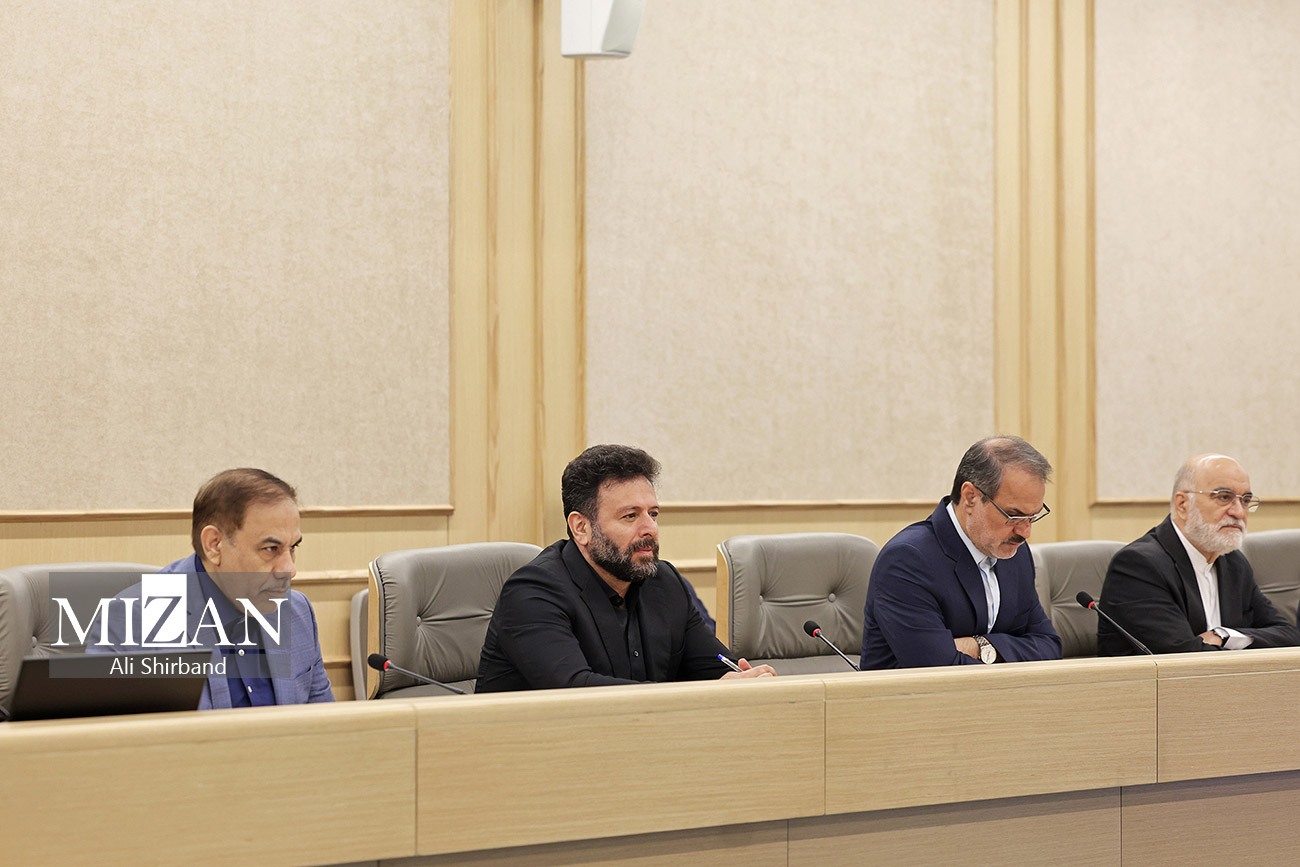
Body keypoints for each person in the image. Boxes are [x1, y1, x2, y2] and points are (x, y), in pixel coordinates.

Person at [476, 444, 776, 691]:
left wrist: (741, 682)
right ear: (581, 528)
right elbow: (575, 691)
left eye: (653, 514)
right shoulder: (532, 594)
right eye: (630, 516)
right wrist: (695, 693)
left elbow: (714, 668)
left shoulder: (665, 582)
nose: (650, 529)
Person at [92, 468, 334, 708]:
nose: (289, 569)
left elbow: (326, 724)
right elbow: (109, 730)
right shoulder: (135, 621)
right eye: (270, 549)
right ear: (214, 545)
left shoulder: (296, 612)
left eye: (293, 548)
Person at [860, 436, 1062, 669]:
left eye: (1032, 517)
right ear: (970, 497)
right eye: (1013, 515)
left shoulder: (1015, 553)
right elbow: (939, 669)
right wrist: (1010, 650)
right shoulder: (907, 560)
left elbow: (1049, 647)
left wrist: (979, 646)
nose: (1025, 532)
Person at [1097, 454, 1300, 655]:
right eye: (1224, 497)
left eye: (1245, 500)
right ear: (1183, 504)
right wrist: (1242, 642)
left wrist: (1224, 635)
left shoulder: (1233, 562)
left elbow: (1290, 636)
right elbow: (1183, 655)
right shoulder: (1139, 566)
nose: (1239, 512)